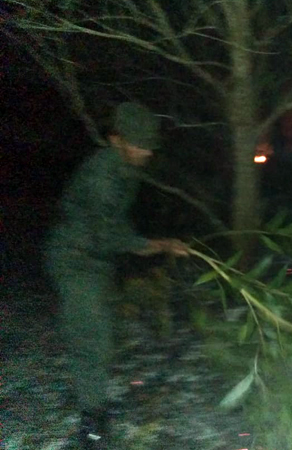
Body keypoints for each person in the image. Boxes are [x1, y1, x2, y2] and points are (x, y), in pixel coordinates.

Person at [46, 102, 189, 449]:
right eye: (139, 144)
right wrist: (158, 245)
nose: (147, 151)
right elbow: (108, 234)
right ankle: (91, 423)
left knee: (103, 335)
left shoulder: (126, 166)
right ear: (117, 139)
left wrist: (155, 242)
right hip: (74, 260)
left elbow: (116, 222)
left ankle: (95, 402)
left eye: (149, 144)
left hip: (96, 260)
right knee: (89, 339)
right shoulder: (102, 177)